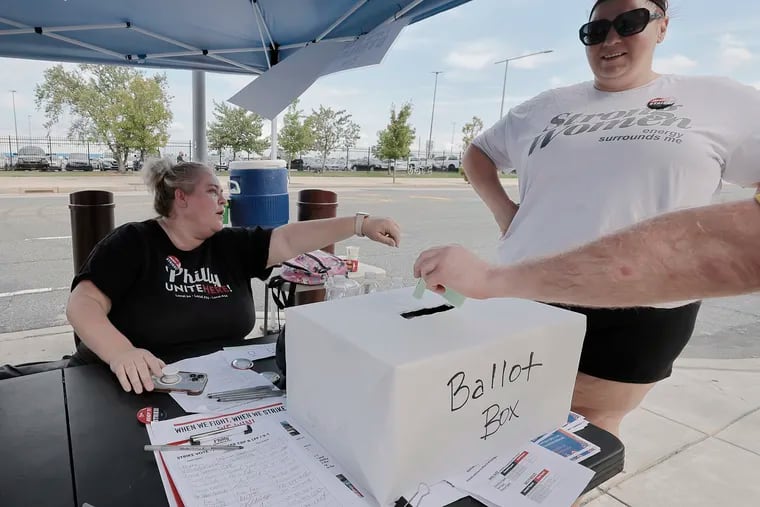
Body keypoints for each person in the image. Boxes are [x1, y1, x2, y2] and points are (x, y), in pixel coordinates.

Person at [416, 0, 760, 440]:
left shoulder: (719, 99)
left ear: (663, 27)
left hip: (641, 306)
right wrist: (508, 215)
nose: (611, 39)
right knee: (505, 418)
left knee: (583, 431)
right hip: (525, 289)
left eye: (629, 22)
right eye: (595, 31)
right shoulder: (547, 106)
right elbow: (478, 153)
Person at [66, 158, 401, 394]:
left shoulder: (230, 244)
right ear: (181, 198)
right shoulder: (133, 242)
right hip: (130, 385)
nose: (223, 199)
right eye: (212, 191)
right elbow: (83, 303)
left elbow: (286, 238)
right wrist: (121, 352)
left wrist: (359, 225)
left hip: (215, 387)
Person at [415, 193, 760, 305]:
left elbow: (717, 247)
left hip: (648, 312)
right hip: (542, 297)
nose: (608, 42)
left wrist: (490, 279)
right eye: (593, 32)